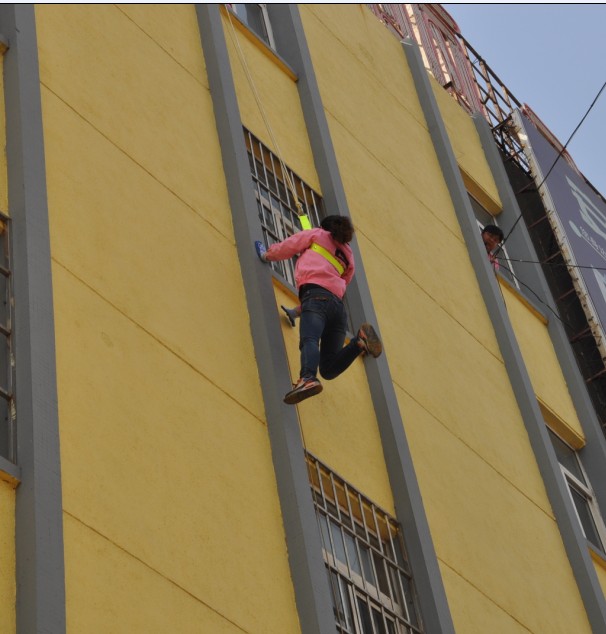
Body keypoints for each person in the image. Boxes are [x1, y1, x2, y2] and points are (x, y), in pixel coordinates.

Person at [255, 215, 382, 405]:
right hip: (337, 310)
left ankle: (307, 378)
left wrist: (267, 255)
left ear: (324, 227)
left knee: (310, 339)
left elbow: (289, 246)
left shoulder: (316, 235)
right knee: (328, 369)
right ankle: (359, 342)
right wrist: (298, 311)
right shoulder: (348, 256)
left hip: (315, 297)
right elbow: (335, 287)